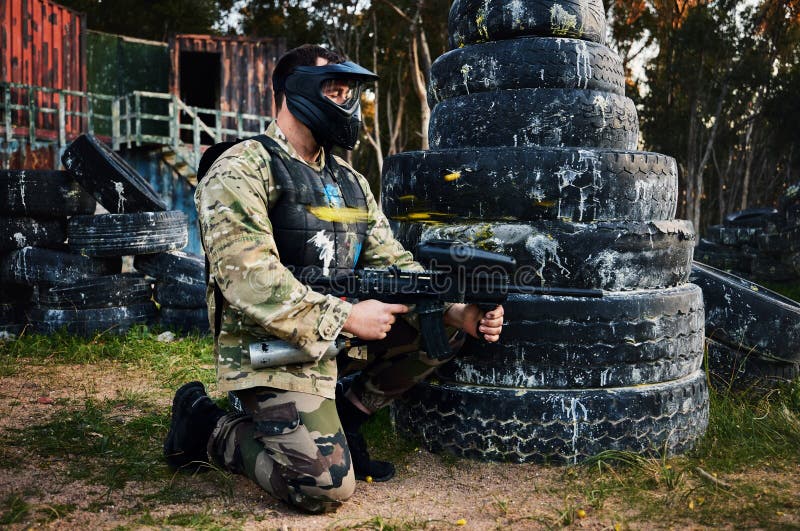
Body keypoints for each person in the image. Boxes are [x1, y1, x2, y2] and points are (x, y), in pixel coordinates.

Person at [163, 44, 505, 514]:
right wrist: (347, 316)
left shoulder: (350, 181)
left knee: (438, 327)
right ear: (292, 91)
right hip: (270, 350)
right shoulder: (240, 168)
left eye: (350, 93)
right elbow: (250, 282)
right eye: (336, 90)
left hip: (334, 338)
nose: (347, 104)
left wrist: (454, 310)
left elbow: (392, 263)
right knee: (326, 489)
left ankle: (343, 419)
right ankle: (208, 428)